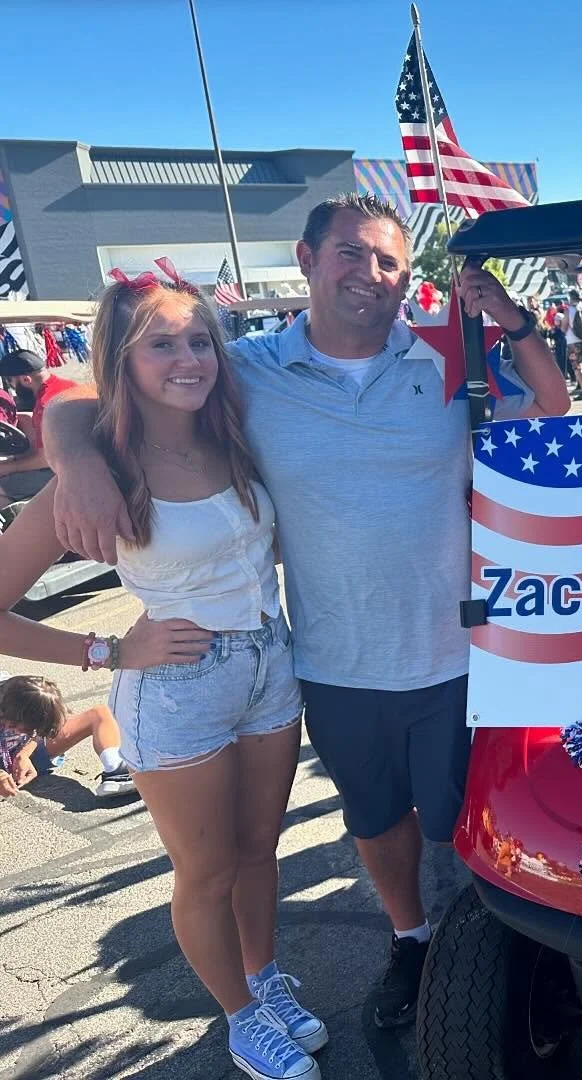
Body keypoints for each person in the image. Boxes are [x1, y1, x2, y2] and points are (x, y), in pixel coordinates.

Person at [44, 193, 569, 1035]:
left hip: (463, 651)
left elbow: (554, 410)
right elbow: (87, 381)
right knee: (373, 818)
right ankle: (413, 939)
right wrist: (73, 460)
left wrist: (511, 320)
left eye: (389, 261)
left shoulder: (441, 356)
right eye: (352, 255)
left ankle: (498, 953)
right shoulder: (245, 368)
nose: (371, 275)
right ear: (308, 257)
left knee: (471, 820)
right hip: (328, 661)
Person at [0, 270, 329, 1080]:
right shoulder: (102, 467)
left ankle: (263, 979)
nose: (188, 358)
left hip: (269, 664)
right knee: (207, 870)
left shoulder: (232, 429)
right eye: (161, 343)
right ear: (122, 355)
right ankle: (240, 1017)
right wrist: (104, 652)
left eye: (197, 340)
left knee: (259, 849)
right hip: (174, 687)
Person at [0, 675, 135, 799]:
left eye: (30, 729)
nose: (21, 731)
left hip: (21, 756)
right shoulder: (7, 696)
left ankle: (117, 771)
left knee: (99, 714)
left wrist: (23, 754)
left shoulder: (26, 693)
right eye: (13, 725)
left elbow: (41, 732)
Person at [0, 349, 78, 508]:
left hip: (70, 472)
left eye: (12, 382)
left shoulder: (46, 404)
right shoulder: (67, 386)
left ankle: (18, 529)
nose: (12, 388)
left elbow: (45, 460)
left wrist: (9, 467)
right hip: (82, 461)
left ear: (26, 379)